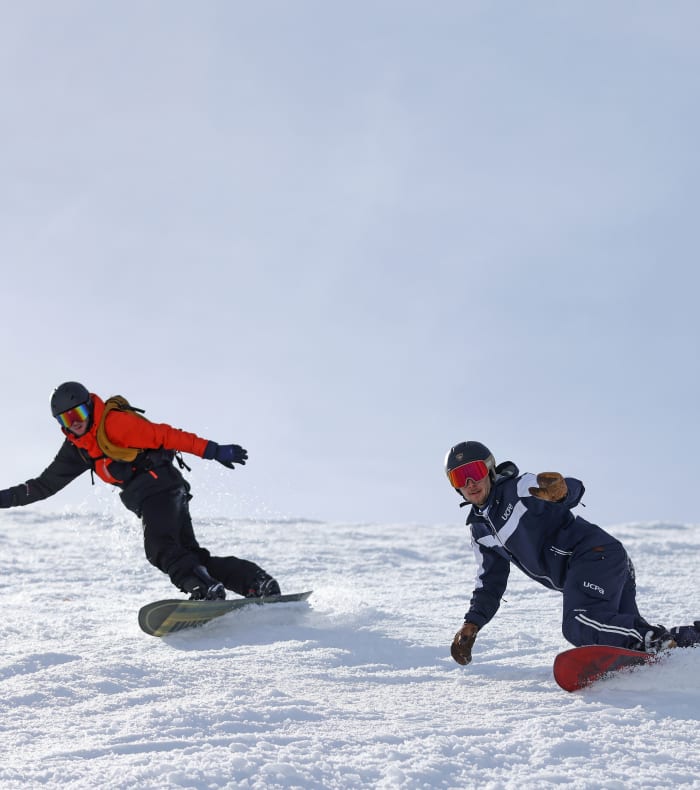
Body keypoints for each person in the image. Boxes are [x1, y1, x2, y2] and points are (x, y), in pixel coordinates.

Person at [0, 382, 281, 601]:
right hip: (161, 493)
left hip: (158, 487)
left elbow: (165, 435)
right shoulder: (77, 449)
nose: (74, 422)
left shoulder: (113, 423)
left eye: (78, 413)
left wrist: (212, 450)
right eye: (65, 419)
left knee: (159, 549)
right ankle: (255, 582)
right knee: (190, 556)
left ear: (89, 407)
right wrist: (4, 499)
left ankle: (205, 590)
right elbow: (44, 485)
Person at [445, 440, 699, 666]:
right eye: (459, 478)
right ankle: (687, 642)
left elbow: (566, 488)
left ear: (489, 469)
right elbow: (490, 583)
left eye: (474, 472)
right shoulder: (480, 532)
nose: (470, 484)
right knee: (619, 637)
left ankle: (654, 641)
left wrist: (562, 491)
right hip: (603, 564)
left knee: (579, 623)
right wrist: (472, 624)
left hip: (591, 555)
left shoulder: (518, 489)